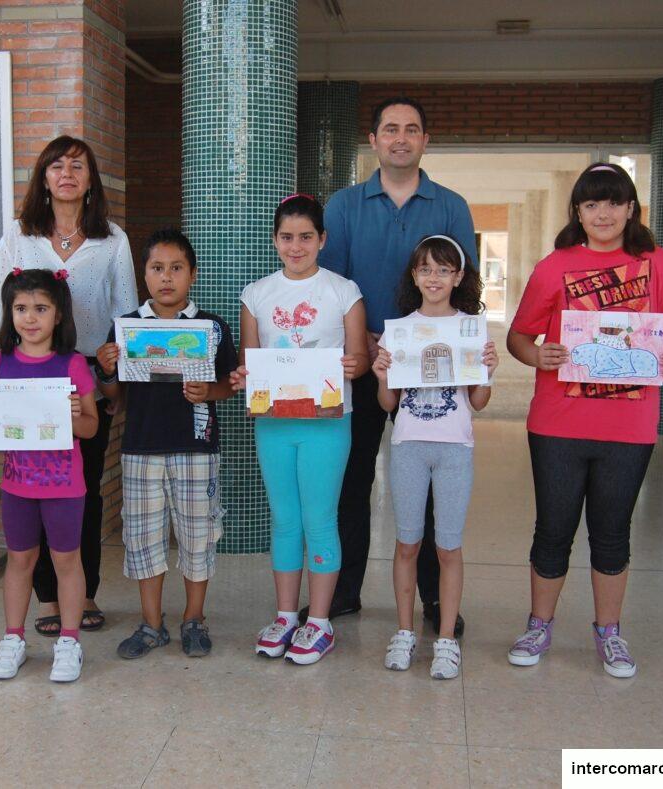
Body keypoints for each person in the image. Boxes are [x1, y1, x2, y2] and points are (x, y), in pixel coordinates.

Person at [505, 162, 663, 678]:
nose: (602, 213)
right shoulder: (553, 266)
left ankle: (609, 632)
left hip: (629, 427)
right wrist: (534, 356)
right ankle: (539, 625)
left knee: (612, 532)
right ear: (578, 212)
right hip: (557, 423)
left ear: (631, 209)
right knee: (553, 530)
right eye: (591, 203)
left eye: (613, 202)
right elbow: (519, 335)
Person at [318, 96, 478, 634]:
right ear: (374, 140)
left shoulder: (452, 205)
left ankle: (435, 600)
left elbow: (466, 286)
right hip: (366, 365)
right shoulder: (342, 206)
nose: (401, 138)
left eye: (412, 130)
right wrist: (368, 347)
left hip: (435, 373)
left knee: (431, 484)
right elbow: (333, 290)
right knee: (352, 480)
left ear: (425, 141)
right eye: (391, 129)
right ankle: (343, 592)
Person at [0, 135, 138, 636]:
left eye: (77, 166)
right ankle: (47, 597)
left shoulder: (111, 238)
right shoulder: (18, 236)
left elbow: (126, 311)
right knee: (30, 486)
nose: (67, 173)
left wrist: (115, 374)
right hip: (24, 379)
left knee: (81, 489)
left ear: (91, 178)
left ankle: (83, 590)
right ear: (43, 178)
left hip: (84, 377)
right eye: (56, 166)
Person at [230, 194, 369, 665]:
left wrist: (353, 364)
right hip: (274, 422)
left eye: (306, 236)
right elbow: (250, 362)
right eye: (287, 237)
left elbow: (361, 359)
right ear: (275, 241)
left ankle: (320, 621)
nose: (296, 246)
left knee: (320, 518)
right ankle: (286, 615)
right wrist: (243, 378)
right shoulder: (257, 294)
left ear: (322, 240)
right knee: (285, 518)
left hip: (327, 423)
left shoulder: (343, 291)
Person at [95, 229, 237, 659]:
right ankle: (151, 624)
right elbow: (117, 399)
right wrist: (105, 372)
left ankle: (194, 619)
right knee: (143, 538)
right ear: (144, 274)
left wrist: (206, 394)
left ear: (192, 274)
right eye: (158, 268)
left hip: (195, 448)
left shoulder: (211, 327)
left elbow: (228, 386)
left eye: (177, 268)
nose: (167, 277)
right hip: (139, 449)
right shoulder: (127, 328)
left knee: (198, 536)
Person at [0, 268, 99, 682]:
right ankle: (13, 639)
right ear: (9, 314)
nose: (30, 317)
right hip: (17, 483)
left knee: (66, 560)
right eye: (21, 308)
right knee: (20, 559)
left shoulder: (72, 364)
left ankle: (69, 641)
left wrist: (76, 416)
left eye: (41, 308)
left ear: (58, 315)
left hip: (64, 485)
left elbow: (91, 428)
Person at [373, 236, 497, 679]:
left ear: (459, 277)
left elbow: (478, 401)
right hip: (409, 445)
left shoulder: (470, 329)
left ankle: (445, 639)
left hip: (454, 449)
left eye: (444, 270)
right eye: (426, 269)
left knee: (448, 546)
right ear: (414, 275)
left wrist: (488, 369)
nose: (434, 278)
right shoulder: (400, 330)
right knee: (408, 542)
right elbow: (388, 404)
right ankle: (405, 631)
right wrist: (381, 372)